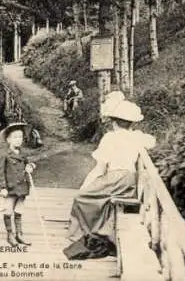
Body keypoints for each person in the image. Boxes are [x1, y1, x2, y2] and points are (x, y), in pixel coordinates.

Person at [63, 99, 156, 260]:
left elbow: (100, 168)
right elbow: (152, 142)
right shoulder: (137, 137)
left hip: (115, 178)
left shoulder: (110, 138)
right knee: (101, 198)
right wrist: (137, 135)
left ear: (114, 122)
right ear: (132, 123)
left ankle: (88, 233)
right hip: (130, 179)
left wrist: (88, 185)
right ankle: (98, 230)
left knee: (81, 197)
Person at [0, 122, 37, 247]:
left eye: (20, 137)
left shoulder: (22, 153)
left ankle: (19, 234)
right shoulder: (3, 154)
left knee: (19, 211)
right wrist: (2, 187)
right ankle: (10, 234)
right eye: (15, 137)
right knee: (8, 211)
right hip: (10, 188)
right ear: (8, 139)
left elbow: (28, 163)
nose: (18, 140)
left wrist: (30, 166)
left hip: (22, 187)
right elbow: (0, 172)